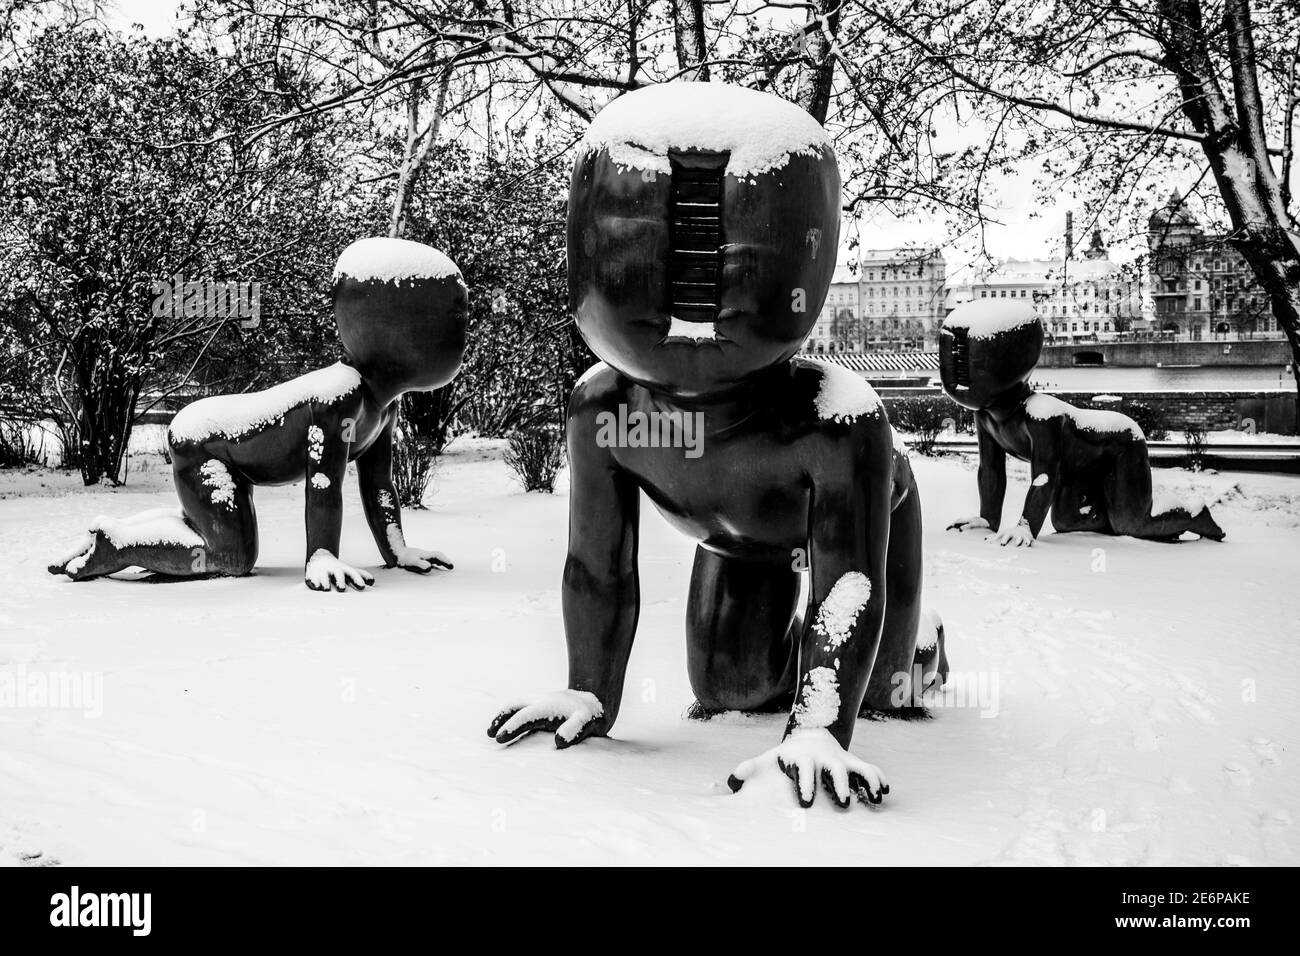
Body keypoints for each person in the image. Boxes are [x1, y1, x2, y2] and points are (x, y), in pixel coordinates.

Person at [487, 82, 944, 810]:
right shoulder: (606, 409)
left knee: (887, 691)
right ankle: (787, 663)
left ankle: (917, 655)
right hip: (737, 540)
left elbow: (846, 585)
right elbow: (598, 567)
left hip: (866, 523)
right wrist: (587, 690)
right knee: (732, 690)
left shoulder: (835, 424)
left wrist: (819, 729)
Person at [50, 237, 468, 591]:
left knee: (223, 542)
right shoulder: (339, 399)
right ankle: (118, 544)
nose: (461, 326)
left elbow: (378, 485)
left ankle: (160, 528)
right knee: (231, 557)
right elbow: (324, 485)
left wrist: (397, 550)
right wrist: (321, 557)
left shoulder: (381, 406)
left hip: (216, 434)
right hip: (206, 444)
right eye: (453, 315)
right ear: (393, 327)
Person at [941, 299, 1224, 545]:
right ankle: (1115, 517)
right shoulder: (986, 414)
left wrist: (1026, 527)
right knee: (1067, 521)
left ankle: (1194, 515)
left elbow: (1044, 478)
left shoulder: (1042, 416)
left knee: (1132, 524)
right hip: (1077, 466)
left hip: (1119, 445)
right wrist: (987, 520)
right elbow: (990, 470)